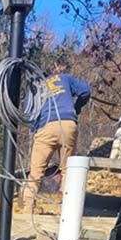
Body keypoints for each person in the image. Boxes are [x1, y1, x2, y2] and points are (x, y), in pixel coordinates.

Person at [22, 70, 91, 216]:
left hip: (45, 127)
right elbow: (85, 91)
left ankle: (28, 209)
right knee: (67, 170)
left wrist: (36, 129)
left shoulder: (35, 87)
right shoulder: (64, 78)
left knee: (36, 172)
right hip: (68, 124)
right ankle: (66, 212)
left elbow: (29, 111)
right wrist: (76, 107)